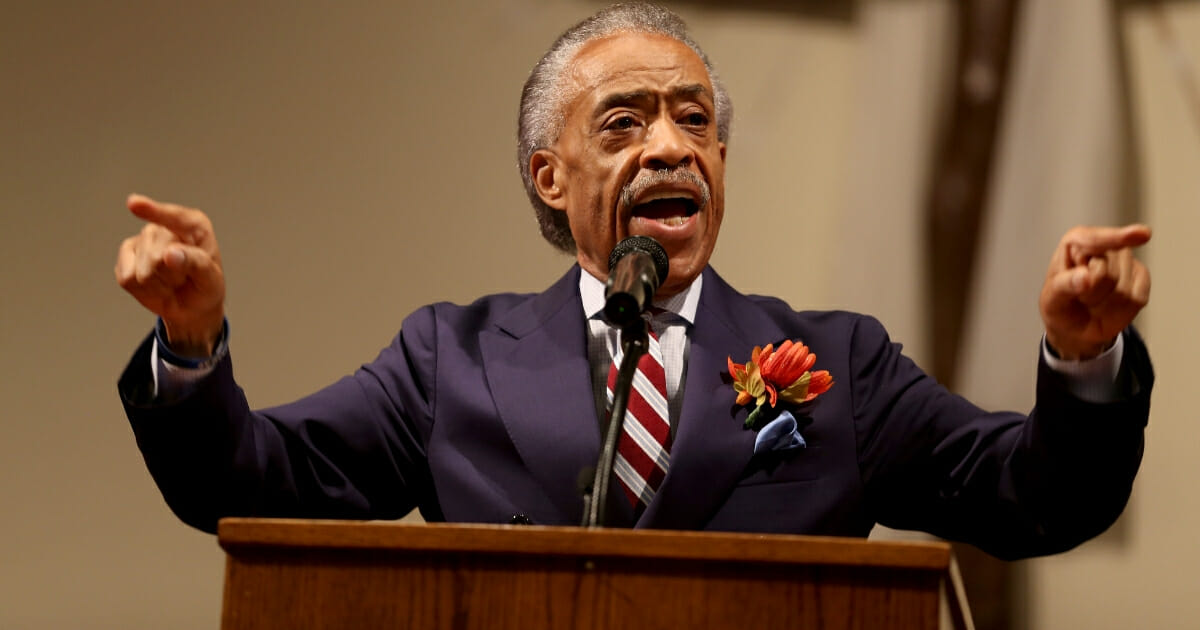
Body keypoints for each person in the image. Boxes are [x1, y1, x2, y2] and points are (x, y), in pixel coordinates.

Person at [115, 4, 1152, 560]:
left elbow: (1034, 500)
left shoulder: (839, 365)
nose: (671, 146)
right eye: (624, 122)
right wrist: (193, 346)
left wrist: (1082, 357)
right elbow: (243, 486)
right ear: (549, 178)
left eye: (694, 120)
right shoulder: (451, 361)